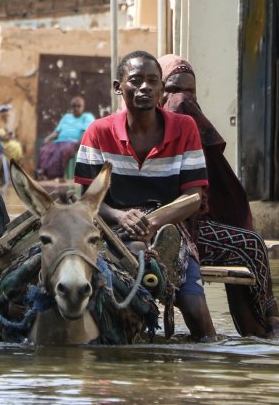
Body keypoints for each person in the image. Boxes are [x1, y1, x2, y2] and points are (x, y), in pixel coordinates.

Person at [73, 50, 216, 340]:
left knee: (195, 311)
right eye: (136, 81)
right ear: (118, 87)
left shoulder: (184, 128)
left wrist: (153, 221)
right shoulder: (98, 132)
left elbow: (193, 197)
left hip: (169, 227)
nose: (145, 88)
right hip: (112, 228)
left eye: (153, 81)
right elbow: (86, 200)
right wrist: (119, 216)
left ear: (161, 88)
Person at [159, 54, 279, 337]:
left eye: (188, 91)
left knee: (249, 245)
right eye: (171, 89)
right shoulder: (146, 127)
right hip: (162, 227)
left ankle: (260, 330)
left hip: (190, 224)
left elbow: (210, 192)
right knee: (251, 244)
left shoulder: (189, 128)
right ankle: (269, 323)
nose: (180, 98)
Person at [36, 95, 93, 180]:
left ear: (83, 107)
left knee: (62, 151)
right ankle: (42, 173)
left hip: (73, 143)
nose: (76, 108)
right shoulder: (66, 117)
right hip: (59, 141)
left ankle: (55, 176)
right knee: (45, 150)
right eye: (74, 106)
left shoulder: (87, 117)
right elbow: (57, 131)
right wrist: (47, 139)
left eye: (78, 106)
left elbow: (85, 132)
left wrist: (80, 142)